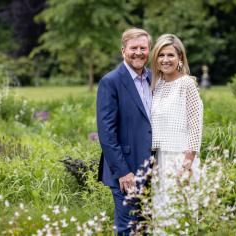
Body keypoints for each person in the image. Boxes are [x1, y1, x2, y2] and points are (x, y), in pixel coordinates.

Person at [96, 28, 153, 236]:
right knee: (128, 229)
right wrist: (123, 171)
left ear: (149, 50)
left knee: (147, 227)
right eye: (133, 48)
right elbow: (106, 133)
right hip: (126, 171)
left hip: (151, 168)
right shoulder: (110, 82)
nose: (138, 52)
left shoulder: (153, 78)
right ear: (123, 51)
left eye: (143, 48)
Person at [150, 34, 203, 233]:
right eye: (161, 55)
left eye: (170, 55)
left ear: (180, 57)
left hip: (180, 158)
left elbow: (195, 126)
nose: (165, 59)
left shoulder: (187, 84)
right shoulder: (157, 84)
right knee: (161, 215)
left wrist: (187, 165)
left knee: (181, 216)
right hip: (159, 159)